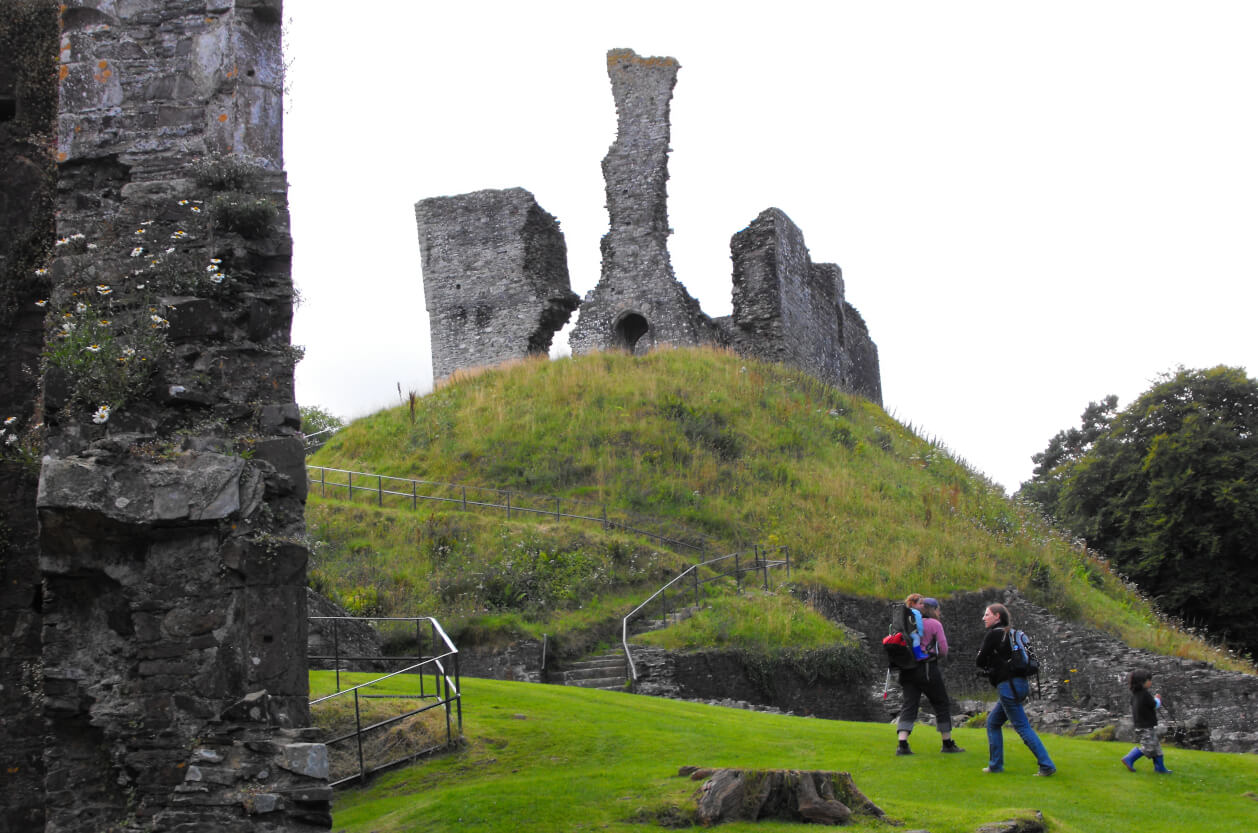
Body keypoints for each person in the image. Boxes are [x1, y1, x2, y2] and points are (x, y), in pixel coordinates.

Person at [975, 602, 1056, 776]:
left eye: (987, 614)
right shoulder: (1013, 634)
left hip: (1007, 686)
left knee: (1022, 727)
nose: (984, 618)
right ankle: (995, 765)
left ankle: (1047, 765)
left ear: (997, 616)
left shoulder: (994, 635)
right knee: (993, 722)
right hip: (1020, 684)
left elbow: (979, 661)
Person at [895, 597, 964, 755]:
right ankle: (947, 743)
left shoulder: (905, 624)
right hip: (927, 669)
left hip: (907, 670)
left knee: (909, 704)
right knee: (941, 703)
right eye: (938, 609)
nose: (940, 612)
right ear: (932, 609)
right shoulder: (934, 624)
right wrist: (933, 655)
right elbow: (944, 649)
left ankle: (902, 743)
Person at [1121, 669, 1172, 773]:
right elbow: (1155, 705)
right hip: (1146, 727)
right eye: (1149, 680)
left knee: (1156, 747)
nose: (1151, 682)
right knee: (1149, 747)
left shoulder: (1134, 695)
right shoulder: (1145, 694)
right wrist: (1158, 699)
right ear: (1142, 681)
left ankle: (1160, 768)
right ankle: (1129, 758)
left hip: (1140, 725)